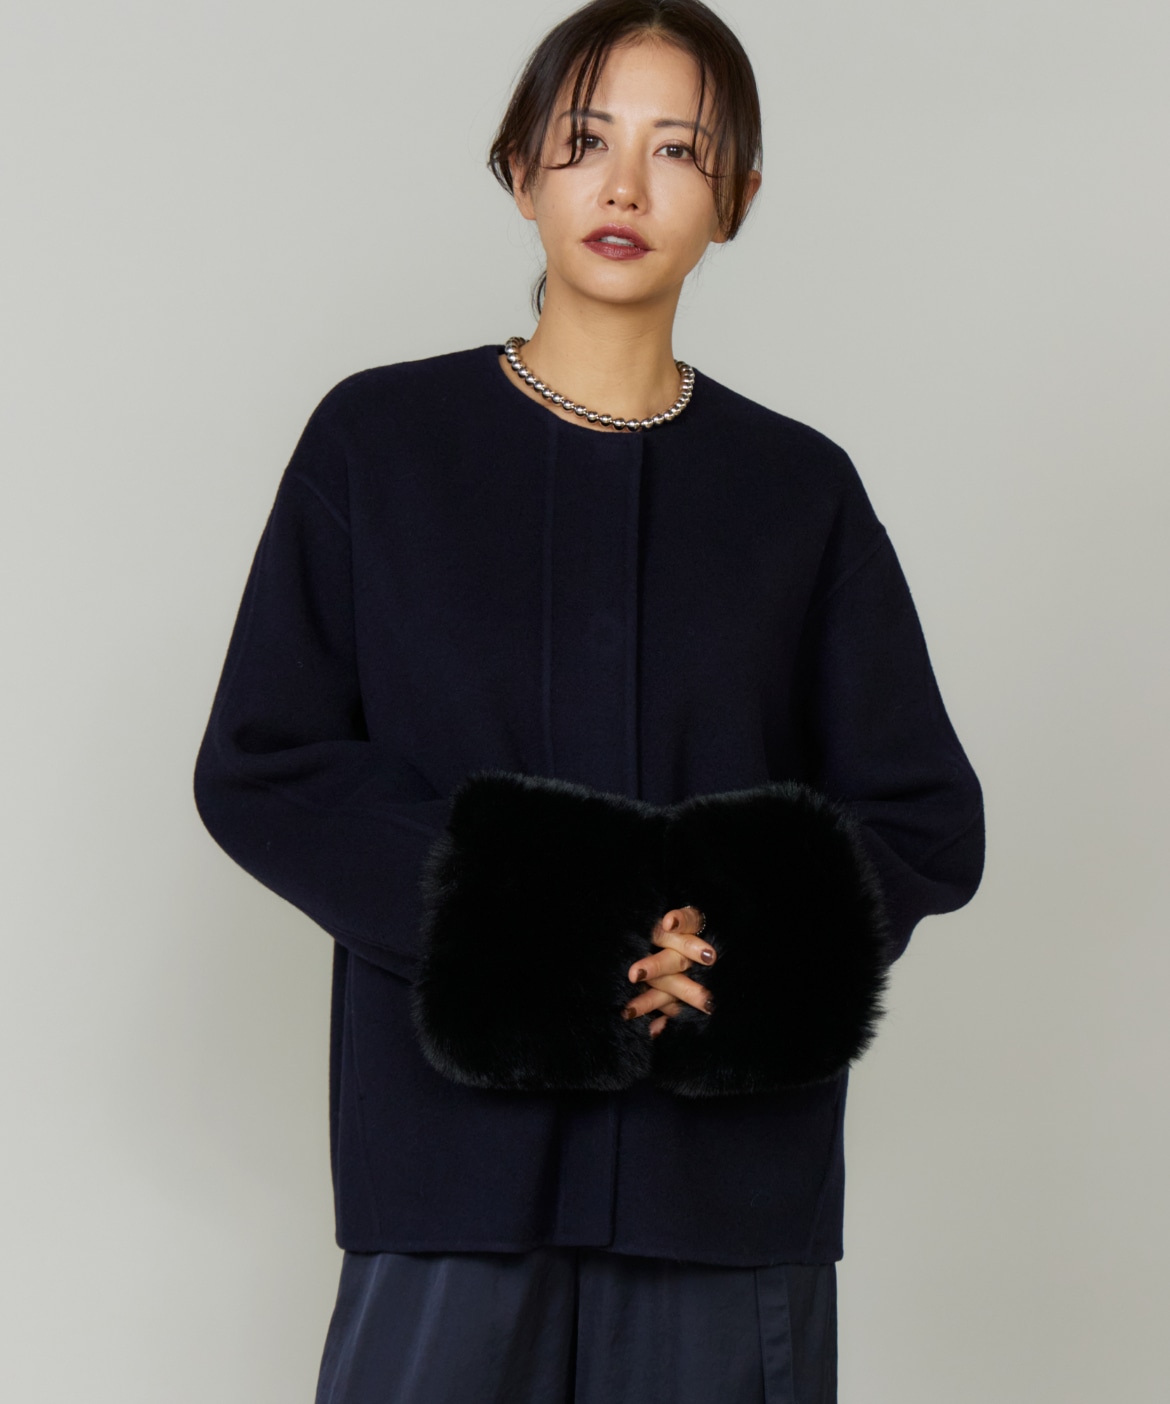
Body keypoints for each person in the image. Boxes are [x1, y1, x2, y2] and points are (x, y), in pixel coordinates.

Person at [192, 1, 985, 1399]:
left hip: (725, 1194)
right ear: (520, 170)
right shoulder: (382, 443)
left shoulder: (797, 491)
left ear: (736, 198)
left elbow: (920, 816)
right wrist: (553, 931)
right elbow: (266, 763)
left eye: (677, 149)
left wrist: (719, 950)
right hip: (451, 1168)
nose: (624, 186)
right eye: (584, 140)